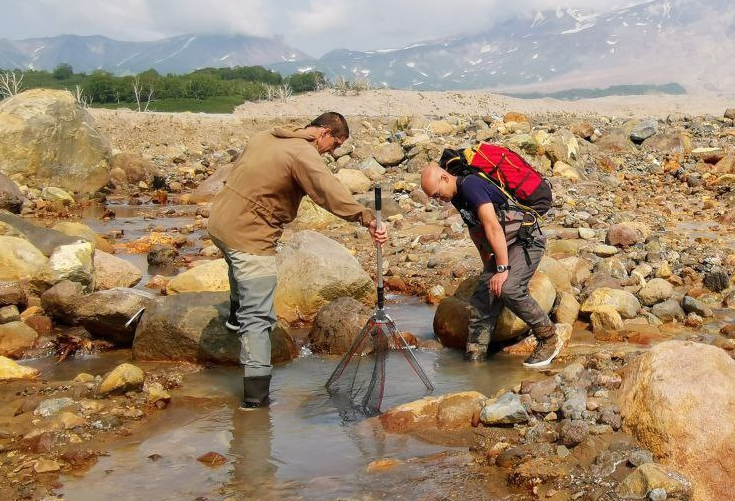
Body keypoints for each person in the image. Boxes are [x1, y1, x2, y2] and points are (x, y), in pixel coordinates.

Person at [207, 112, 387, 409]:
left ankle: (234, 312)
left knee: (233, 262)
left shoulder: (267, 135)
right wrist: (365, 216)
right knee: (259, 318)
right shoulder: (303, 153)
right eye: (336, 144)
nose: (333, 151)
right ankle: (255, 401)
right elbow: (326, 190)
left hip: (219, 225)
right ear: (325, 132)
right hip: (250, 238)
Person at [420, 162, 561, 368]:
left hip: (526, 241)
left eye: (436, 193)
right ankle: (474, 359)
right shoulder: (458, 196)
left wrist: (502, 269)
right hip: (505, 245)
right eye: (433, 197)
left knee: (509, 289)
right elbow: (476, 231)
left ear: (444, 178)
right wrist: (489, 266)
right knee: (481, 299)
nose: (437, 199)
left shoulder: (471, 185)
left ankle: (548, 338)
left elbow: (492, 225)